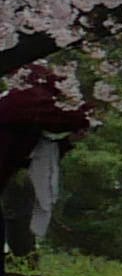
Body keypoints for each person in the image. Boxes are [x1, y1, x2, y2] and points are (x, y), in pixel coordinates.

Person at [0, 65, 91, 258]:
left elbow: (36, 145)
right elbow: (60, 119)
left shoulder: (22, 105)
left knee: (19, 206)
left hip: (11, 166)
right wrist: (84, 116)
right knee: (17, 206)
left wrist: (69, 139)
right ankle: (21, 255)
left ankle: (22, 255)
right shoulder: (23, 101)